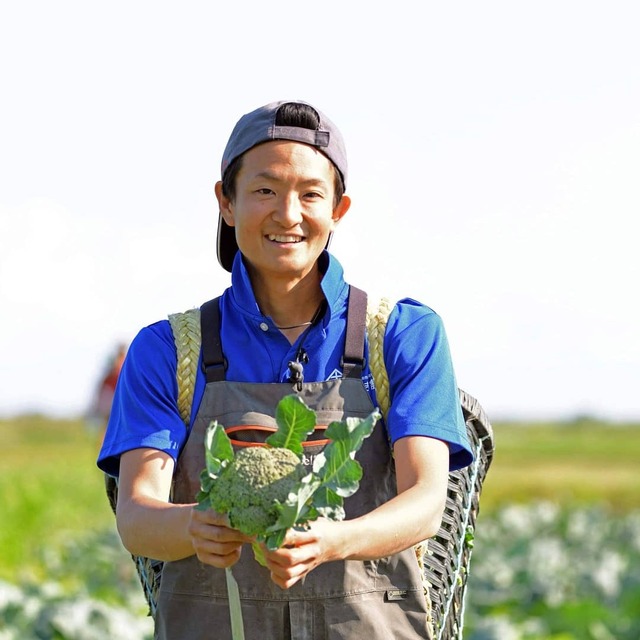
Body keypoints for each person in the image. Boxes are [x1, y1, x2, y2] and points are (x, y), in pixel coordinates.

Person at [97, 100, 473, 639]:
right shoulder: (168, 349)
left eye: (311, 194)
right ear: (226, 202)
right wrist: (193, 526)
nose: (289, 214)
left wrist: (333, 540)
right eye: (265, 190)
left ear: (339, 209)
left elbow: (426, 503)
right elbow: (136, 515)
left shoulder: (401, 334)